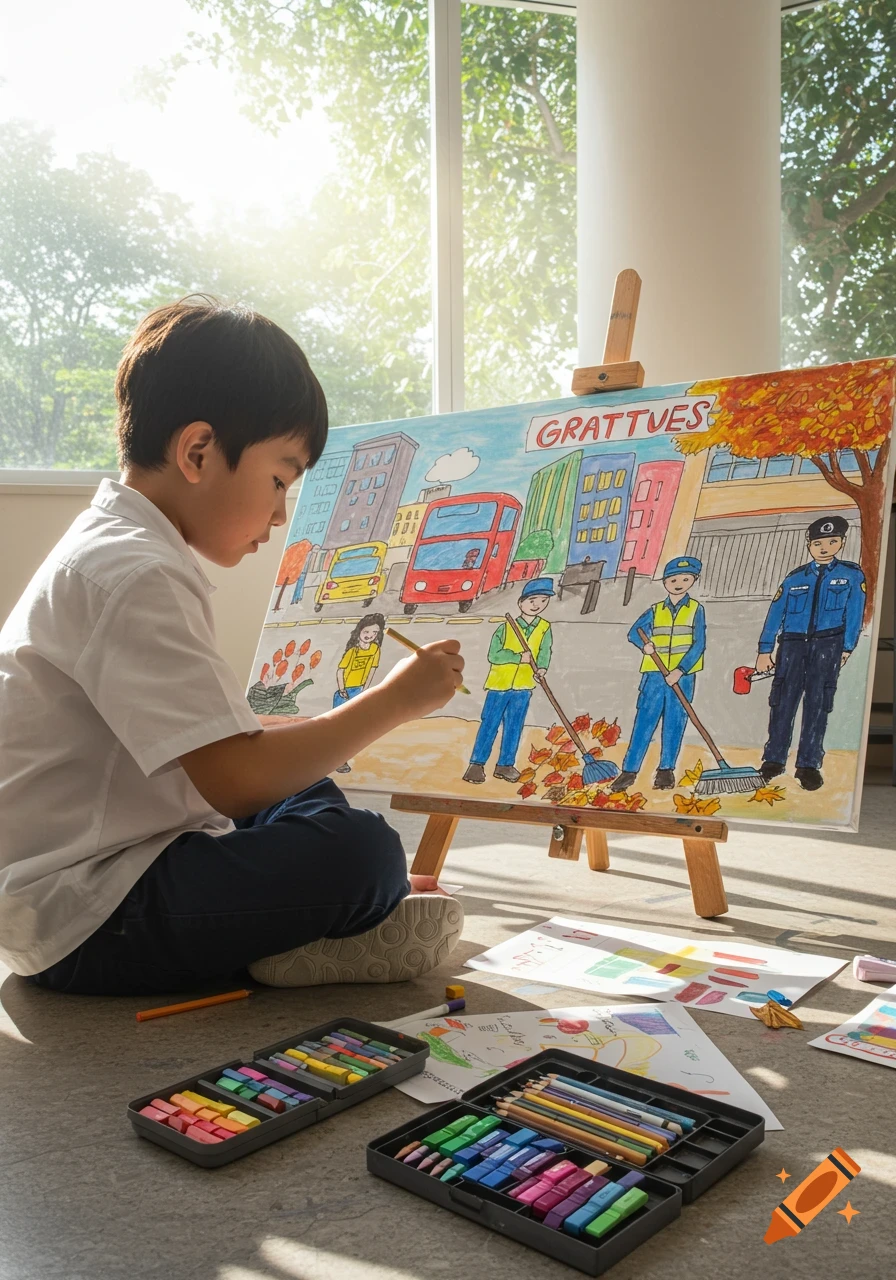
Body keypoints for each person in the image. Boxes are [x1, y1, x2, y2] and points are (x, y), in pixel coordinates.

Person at [0, 298, 465, 996]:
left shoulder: (121, 548)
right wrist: (394, 702)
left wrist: (303, 742)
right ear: (198, 452)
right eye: (279, 479)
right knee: (363, 850)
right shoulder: (136, 574)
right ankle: (322, 920)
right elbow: (237, 779)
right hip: (88, 921)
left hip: (112, 868)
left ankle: (311, 919)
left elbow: (224, 743)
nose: (281, 514)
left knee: (310, 785)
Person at [755, 514, 865, 791]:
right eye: (818, 542)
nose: (824, 547)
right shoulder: (794, 578)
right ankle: (774, 760)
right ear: (809, 544)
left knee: (818, 704)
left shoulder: (851, 575)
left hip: (828, 644)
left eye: (832, 541)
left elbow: (854, 613)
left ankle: (808, 764)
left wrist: (847, 648)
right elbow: (775, 613)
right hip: (791, 645)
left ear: (841, 542)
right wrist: (765, 649)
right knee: (782, 702)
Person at [614, 557, 705, 792]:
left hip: (682, 678)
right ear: (665, 582)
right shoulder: (656, 610)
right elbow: (635, 632)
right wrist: (643, 646)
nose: (679, 583)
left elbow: (698, 644)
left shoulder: (696, 609)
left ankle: (665, 771)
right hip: (654, 675)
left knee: (675, 723)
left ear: (693, 580)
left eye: (685, 579)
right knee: (644, 722)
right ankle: (630, 770)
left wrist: (680, 670)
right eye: (673, 579)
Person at [463, 577, 554, 785]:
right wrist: (516, 657)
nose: (537, 605)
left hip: (523, 686)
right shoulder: (507, 627)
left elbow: (544, 651)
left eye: (542, 601)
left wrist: (541, 668)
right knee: (490, 724)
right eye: (533, 600)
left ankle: (505, 764)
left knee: (514, 726)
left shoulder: (544, 627)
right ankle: (476, 765)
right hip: (499, 685)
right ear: (521, 602)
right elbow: (494, 655)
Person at [332, 613, 385, 772]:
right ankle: (337, 760)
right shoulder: (352, 652)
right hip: (344, 692)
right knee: (340, 728)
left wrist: (365, 689)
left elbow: (372, 670)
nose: (370, 636)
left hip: (359, 691)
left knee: (353, 729)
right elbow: (340, 671)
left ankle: (342, 760)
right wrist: (342, 689)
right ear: (359, 632)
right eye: (367, 632)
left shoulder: (375, 649)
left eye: (374, 633)